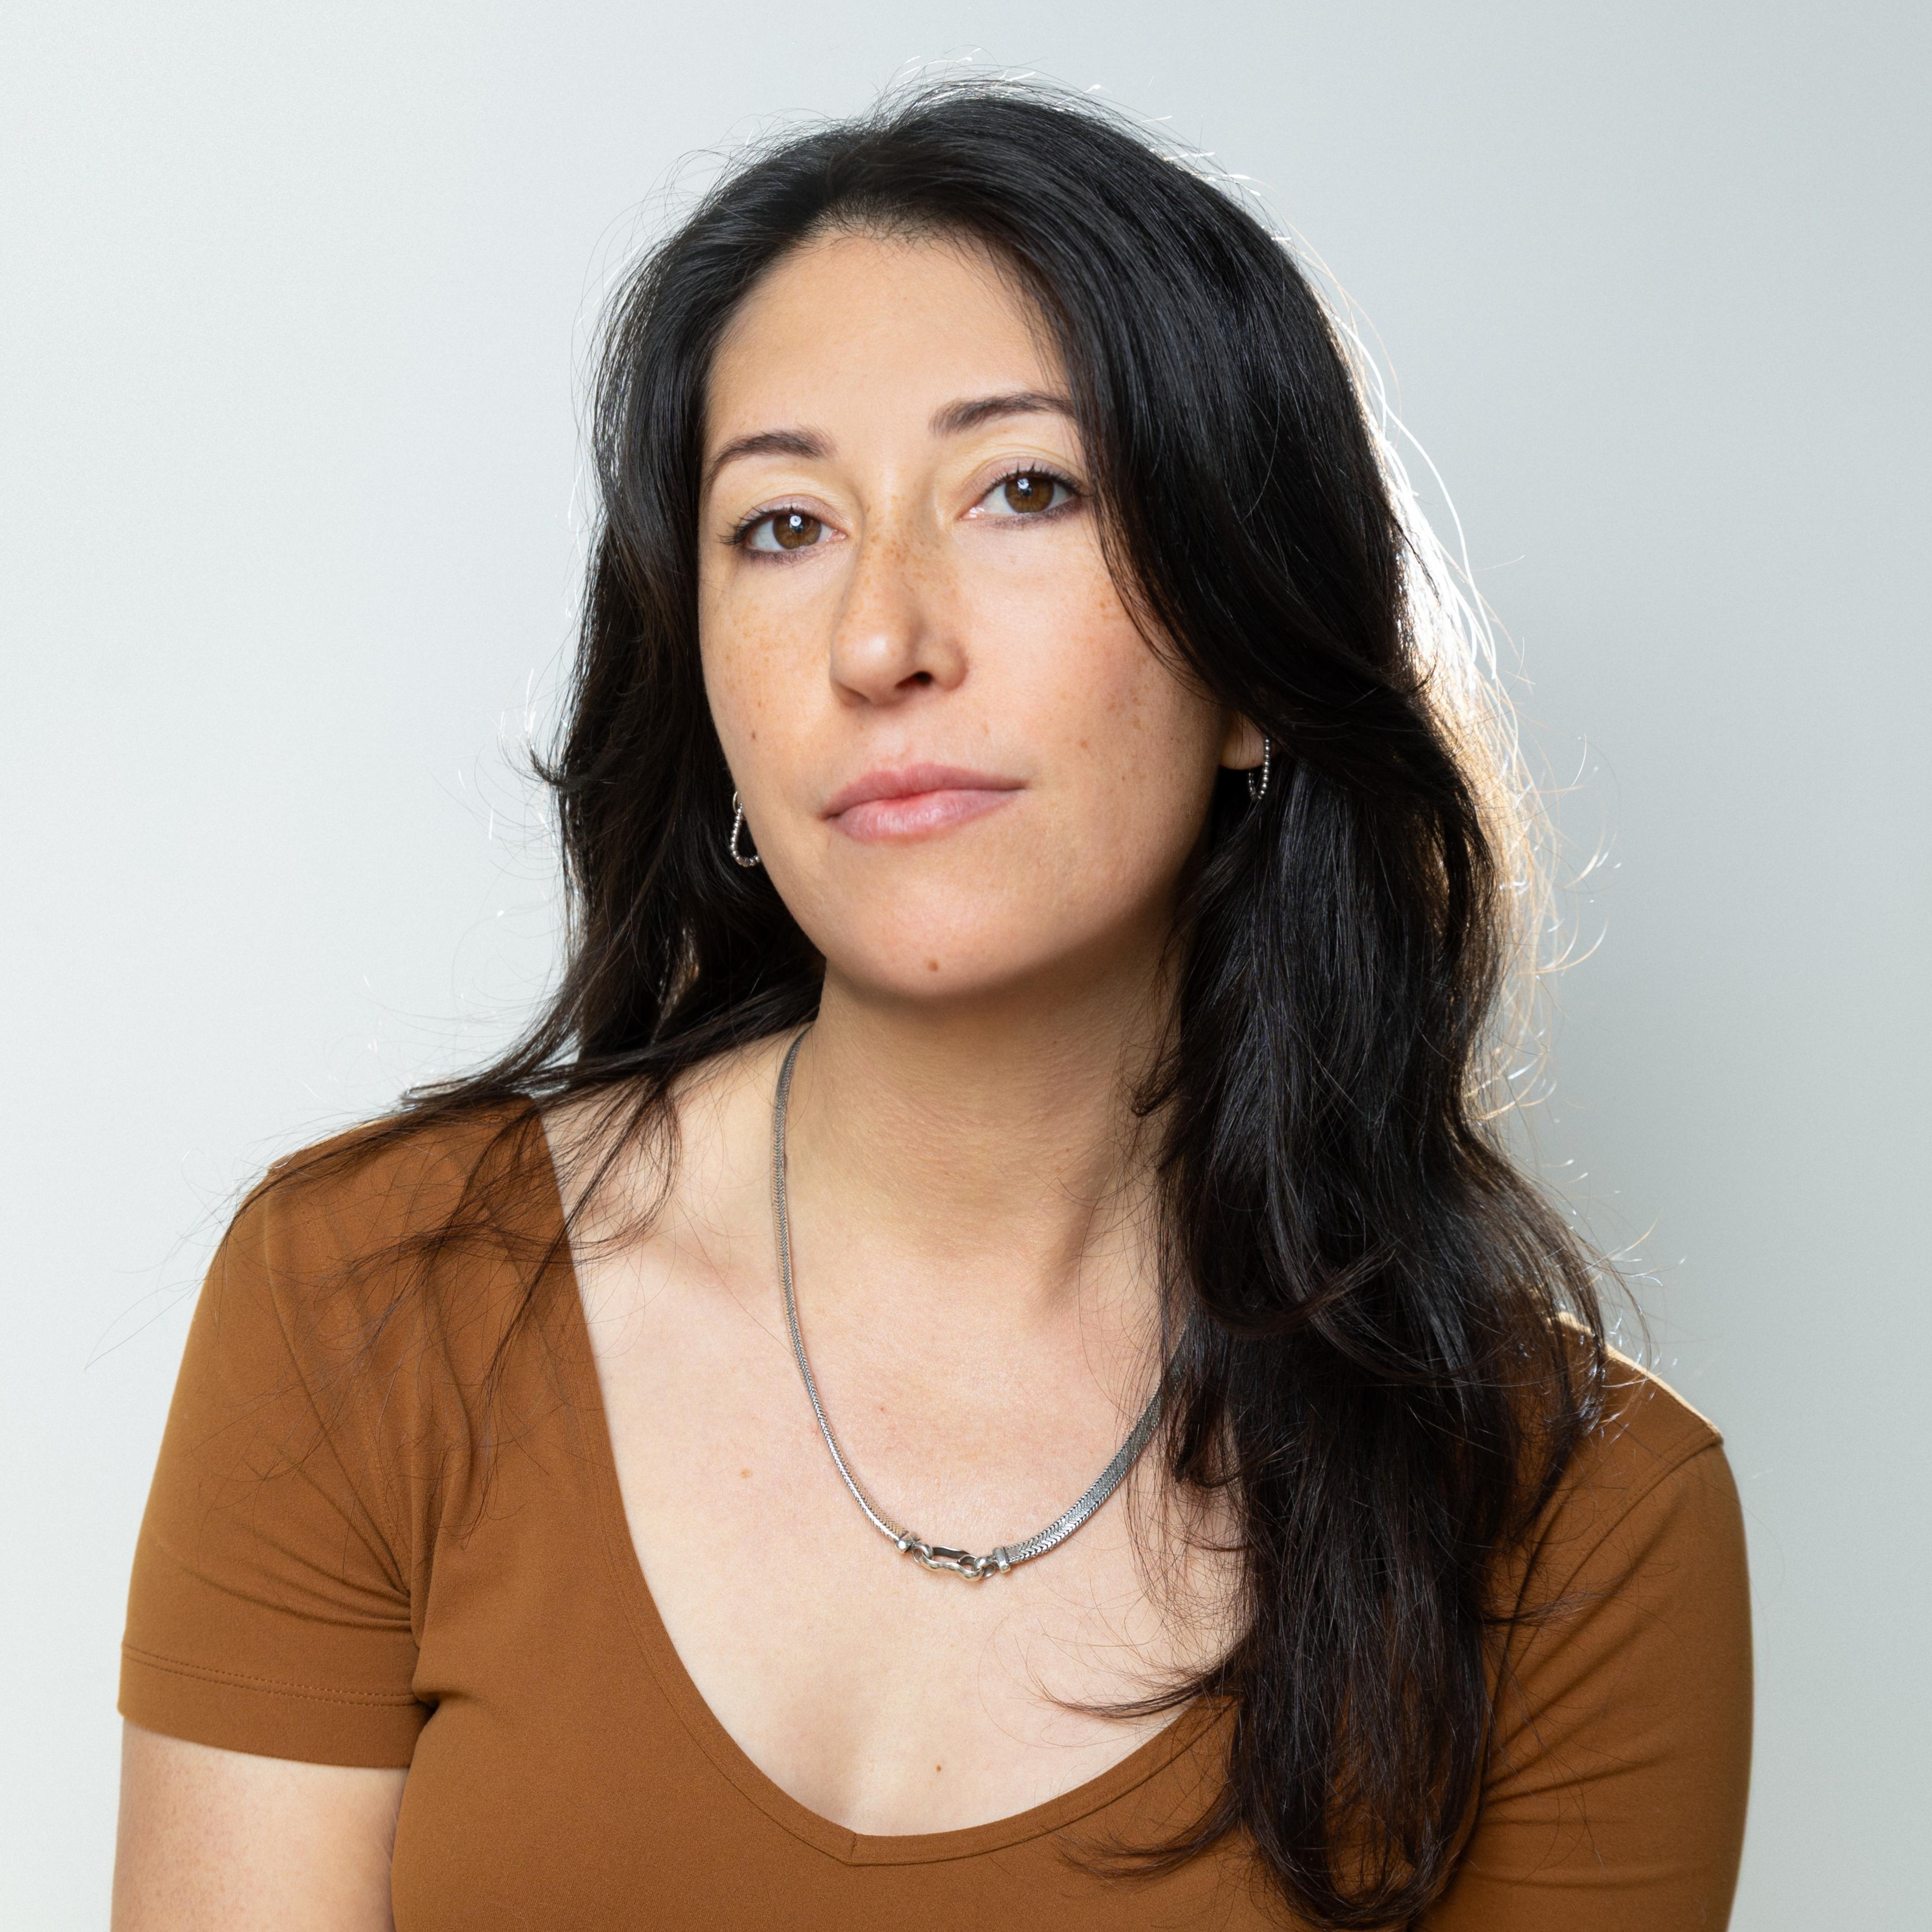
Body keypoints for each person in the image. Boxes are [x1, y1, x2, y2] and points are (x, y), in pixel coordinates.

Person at [111, 80, 1752, 1930]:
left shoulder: (1580, 1526)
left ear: (1253, 660)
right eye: (785, 526)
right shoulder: (369, 1303)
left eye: (1024, 491)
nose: (884, 641)